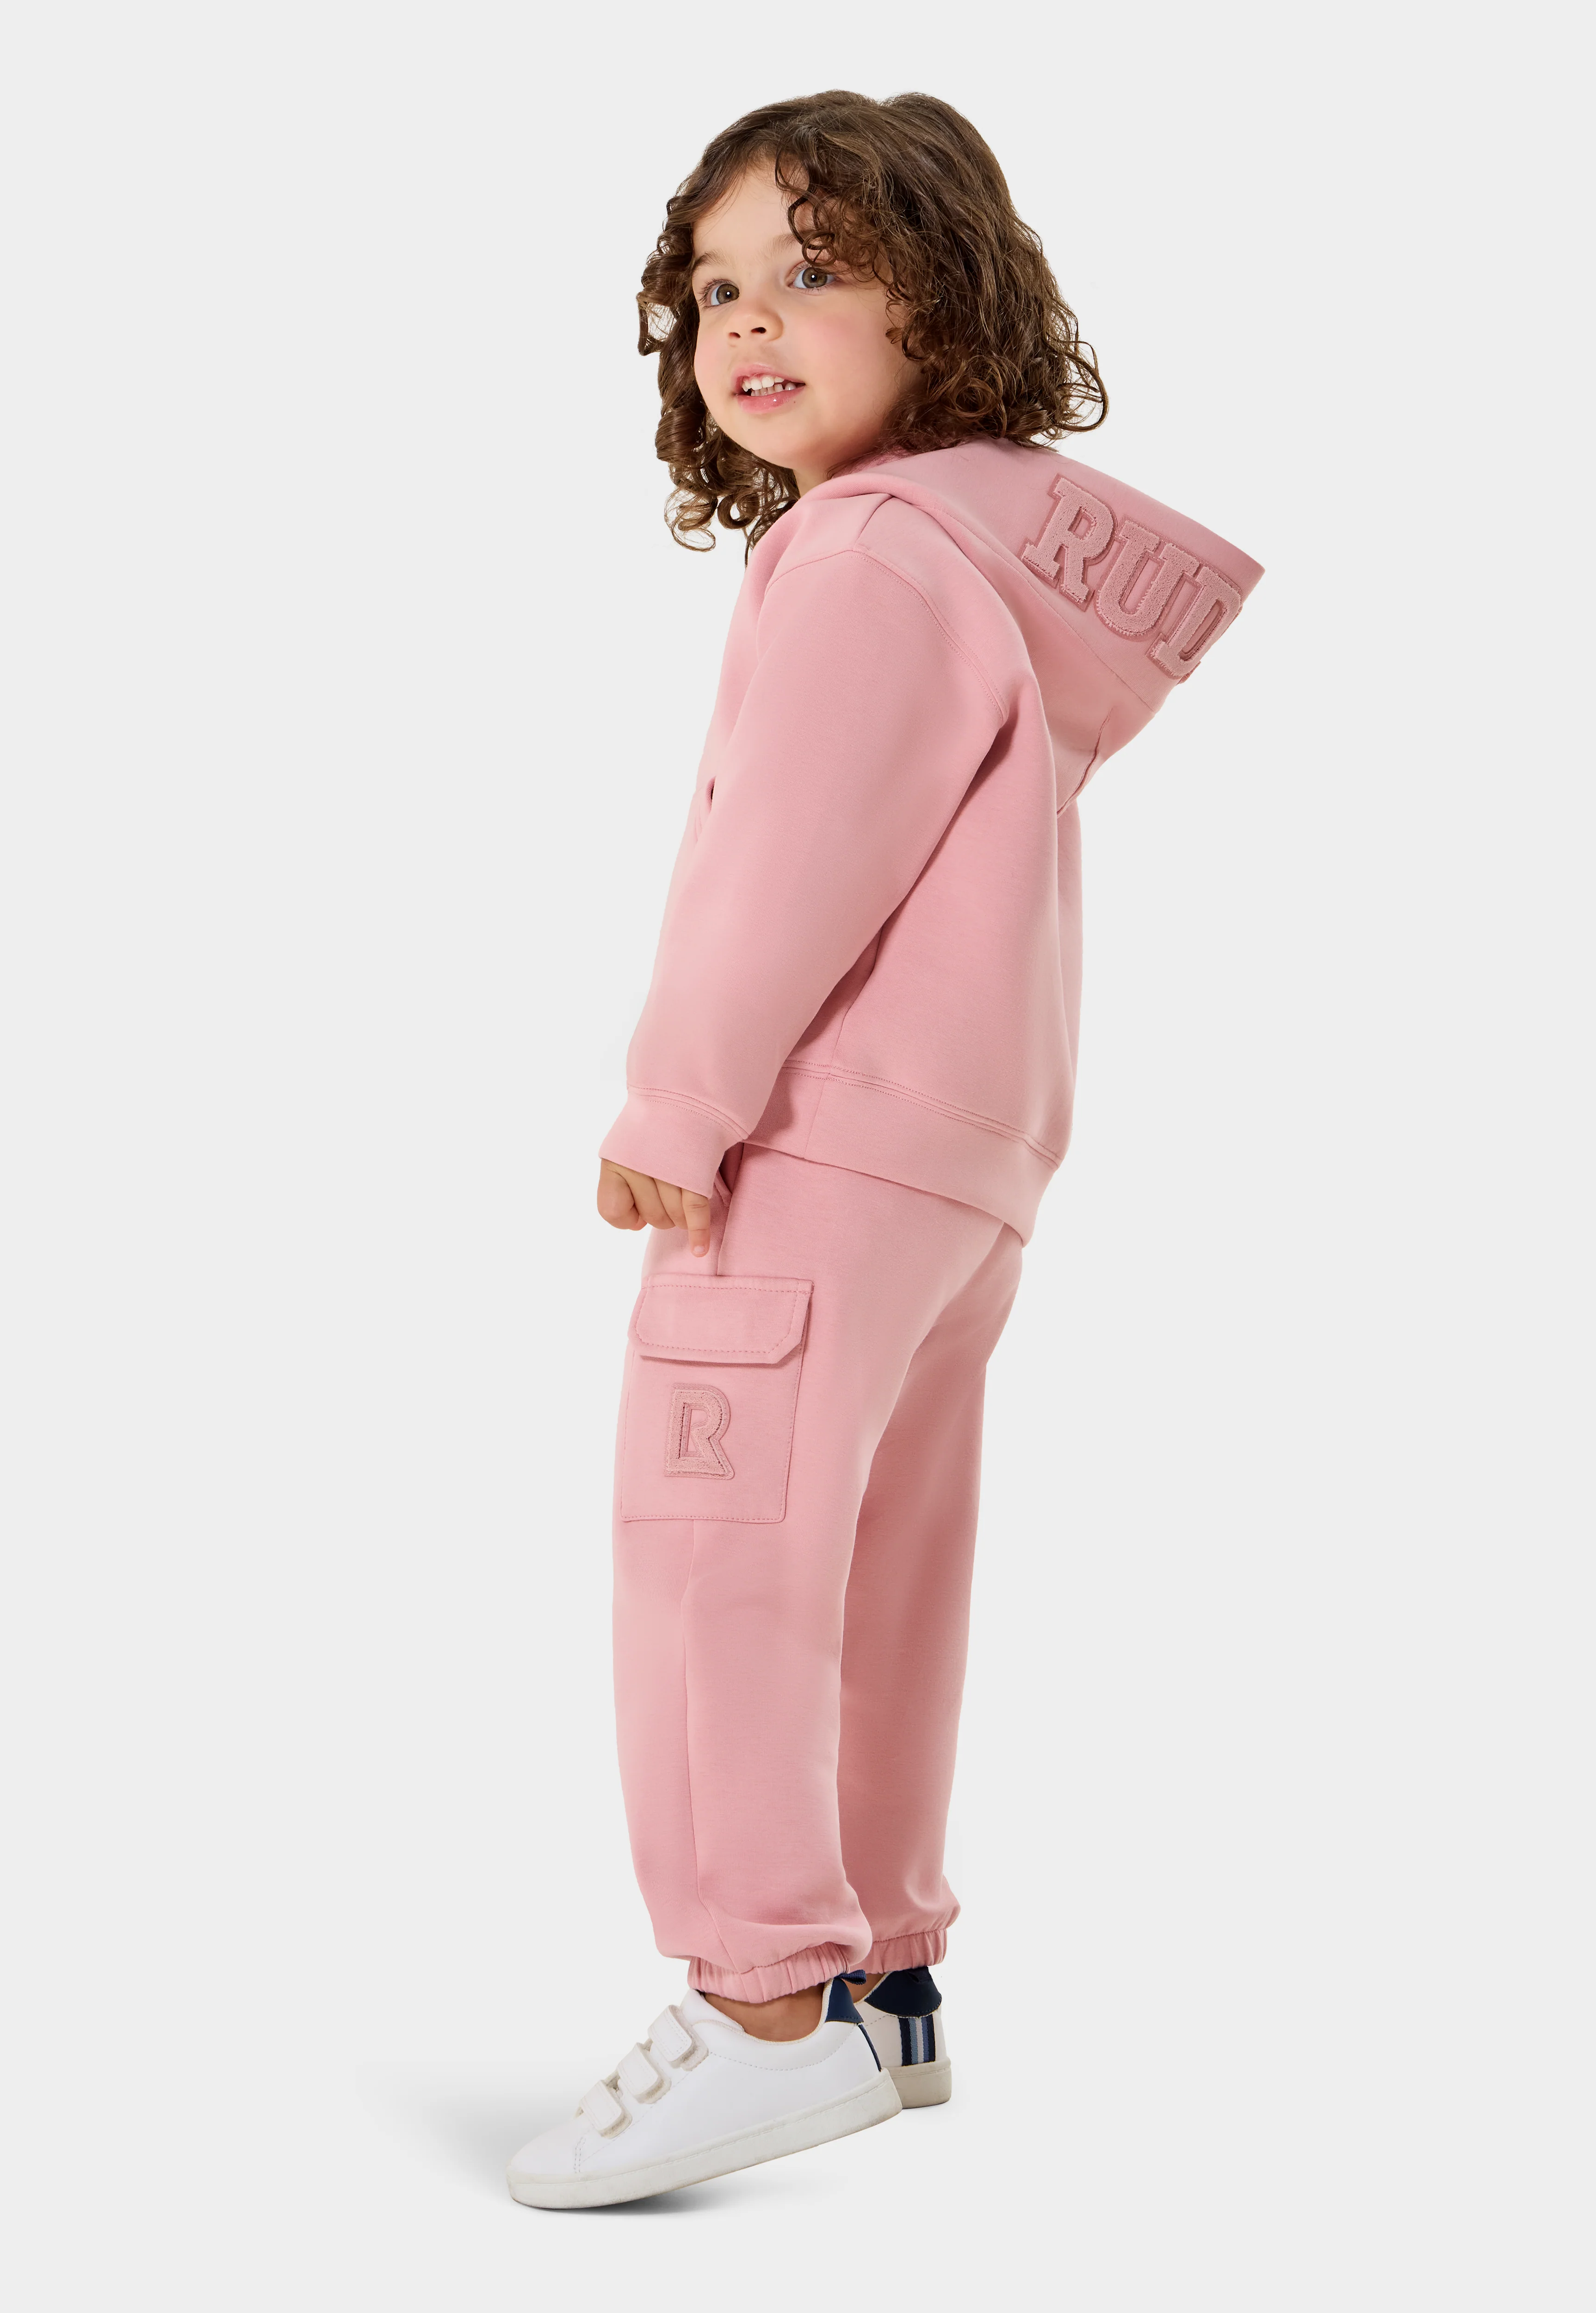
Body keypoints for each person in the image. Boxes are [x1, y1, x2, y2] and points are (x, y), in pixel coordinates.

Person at [507, 89, 1262, 2210]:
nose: (747, 322)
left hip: (812, 1148)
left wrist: (678, 1101)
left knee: (716, 1550)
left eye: (812, 271)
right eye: (713, 290)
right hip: (963, 1164)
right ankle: (886, 1981)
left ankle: (762, 2001)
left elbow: (793, 863)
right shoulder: (976, 562)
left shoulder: (859, 556)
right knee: (885, 1557)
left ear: (944, 300)